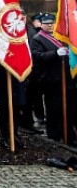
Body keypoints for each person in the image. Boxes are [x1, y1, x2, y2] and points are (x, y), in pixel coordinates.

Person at [31, 13, 76, 145]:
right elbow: (37, 56)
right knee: (54, 108)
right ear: (41, 24)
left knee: (70, 108)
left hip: (67, 78)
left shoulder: (62, 37)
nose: (50, 25)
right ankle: (54, 134)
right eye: (46, 23)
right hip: (51, 79)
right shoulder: (38, 39)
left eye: (52, 23)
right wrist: (55, 54)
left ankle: (69, 134)